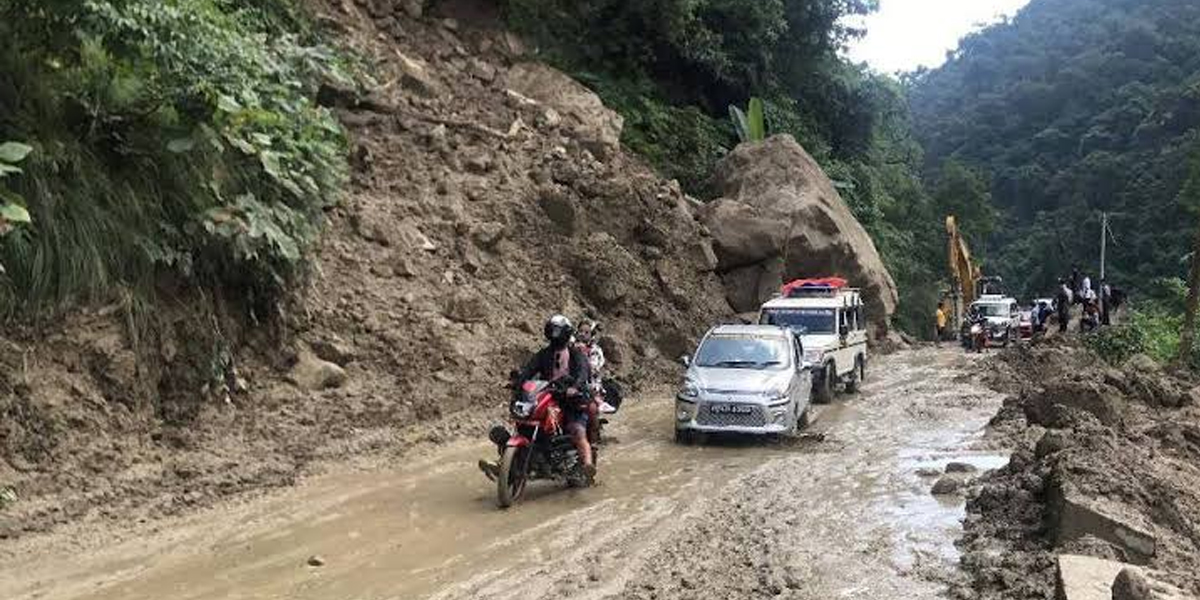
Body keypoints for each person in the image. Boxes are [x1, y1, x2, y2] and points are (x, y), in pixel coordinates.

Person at [518, 315, 596, 479]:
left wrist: (575, 387)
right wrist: (518, 382)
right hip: (549, 396)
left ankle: (588, 465)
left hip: (572, 400)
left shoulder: (576, 354)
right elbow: (529, 369)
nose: (555, 335)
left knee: (577, 430)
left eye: (558, 331)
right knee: (528, 419)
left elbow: (582, 372)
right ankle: (513, 460)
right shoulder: (544, 354)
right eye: (552, 331)